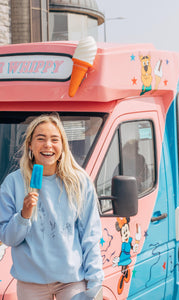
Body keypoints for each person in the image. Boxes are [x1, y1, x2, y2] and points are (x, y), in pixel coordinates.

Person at [0, 113, 104, 300]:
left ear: (63, 146)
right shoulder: (13, 183)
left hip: (72, 281)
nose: (48, 145)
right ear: (30, 145)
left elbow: (90, 234)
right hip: (31, 284)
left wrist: (95, 282)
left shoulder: (79, 182)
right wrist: (23, 216)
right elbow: (7, 238)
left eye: (54, 139)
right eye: (41, 139)